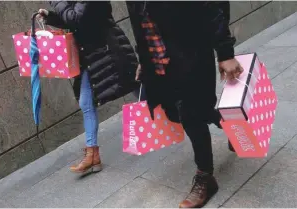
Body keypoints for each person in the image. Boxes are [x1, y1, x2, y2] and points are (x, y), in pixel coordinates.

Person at [127, 2, 243, 208]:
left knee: (191, 115)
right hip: (157, 62)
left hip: (191, 53)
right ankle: (232, 126)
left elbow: (212, 6)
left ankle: (205, 177)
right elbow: (140, 24)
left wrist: (225, 52)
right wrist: (143, 60)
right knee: (179, 113)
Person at [37, 1, 139, 174]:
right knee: (86, 102)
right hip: (90, 58)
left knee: (140, 87)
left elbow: (75, 18)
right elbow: (72, 21)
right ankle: (92, 154)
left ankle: (174, 117)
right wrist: (50, 17)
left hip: (110, 53)